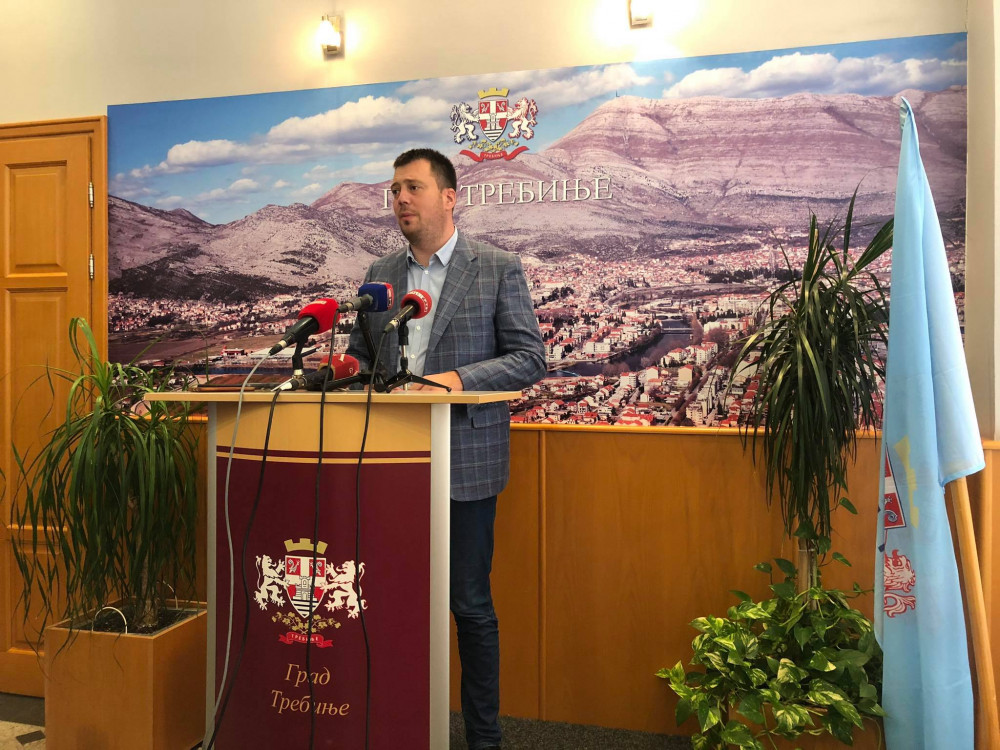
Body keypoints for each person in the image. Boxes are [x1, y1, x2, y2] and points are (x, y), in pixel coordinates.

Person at [346, 148, 546, 750]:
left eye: (412, 187)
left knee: (470, 605)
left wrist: (456, 381)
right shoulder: (380, 272)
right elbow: (361, 357)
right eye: (394, 190)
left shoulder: (497, 267)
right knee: (392, 601)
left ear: (449, 197)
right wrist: (341, 372)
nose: (400, 199)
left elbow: (528, 358)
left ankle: (484, 739)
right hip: (390, 465)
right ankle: (399, 727)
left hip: (465, 464)